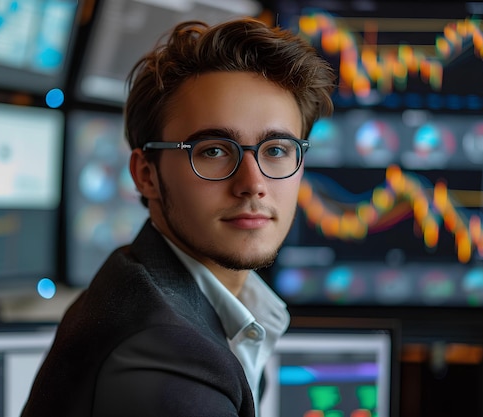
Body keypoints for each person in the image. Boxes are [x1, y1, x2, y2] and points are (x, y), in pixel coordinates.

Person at [22, 17, 335, 417]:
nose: (253, 184)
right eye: (214, 150)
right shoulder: (167, 362)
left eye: (276, 150)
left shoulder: (139, 282)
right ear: (146, 175)